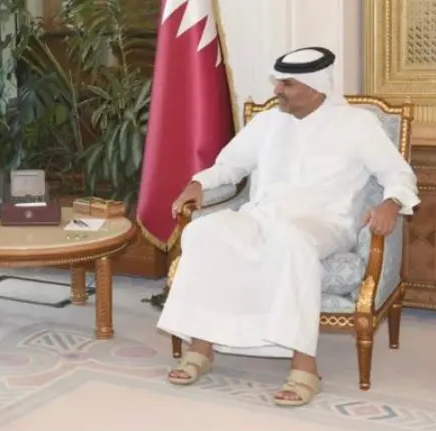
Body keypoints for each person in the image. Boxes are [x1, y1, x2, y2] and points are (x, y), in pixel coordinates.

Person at [156, 47, 420, 406]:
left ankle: (304, 367)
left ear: (314, 87)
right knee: (203, 232)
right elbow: (230, 165)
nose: (277, 90)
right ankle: (200, 347)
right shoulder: (267, 122)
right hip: (264, 214)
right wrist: (198, 183)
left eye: (287, 84)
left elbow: (398, 174)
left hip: (326, 222)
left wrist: (391, 203)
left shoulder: (358, 124)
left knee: (291, 242)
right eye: (278, 82)